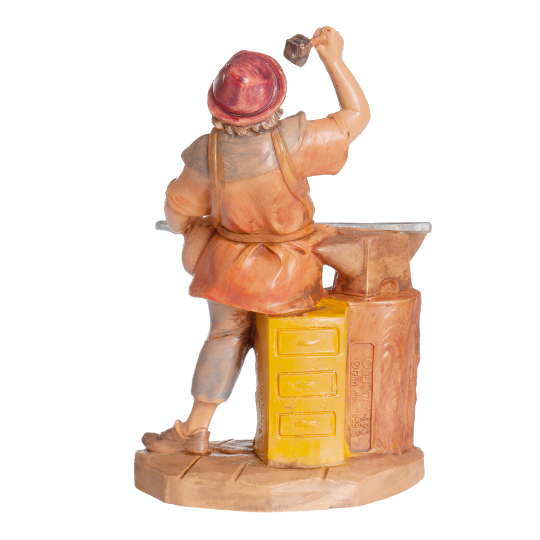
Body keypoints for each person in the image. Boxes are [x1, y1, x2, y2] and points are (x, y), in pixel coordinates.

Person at [142, 27, 370, 455]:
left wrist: (192, 228)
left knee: (225, 334)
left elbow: (177, 212)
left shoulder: (206, 154)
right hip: (291, 272)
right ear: (275, 102)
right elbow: (356, 114)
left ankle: (196, 429)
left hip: (229, 272)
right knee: (288, 340)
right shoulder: (297, 141)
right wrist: (333, 59)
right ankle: (302, 432)